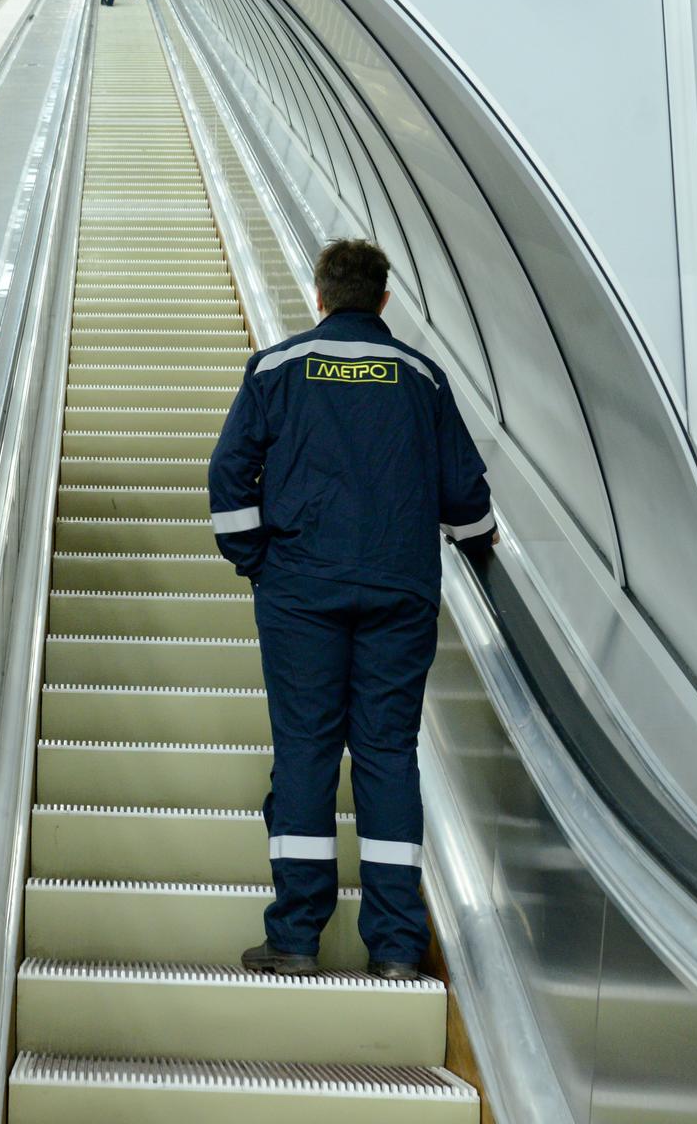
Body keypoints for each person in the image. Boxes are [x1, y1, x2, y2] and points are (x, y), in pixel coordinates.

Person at [207, 239, 497, 983]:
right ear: (384, 300)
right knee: (387, 754)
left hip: (302, 591)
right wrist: (477, 541)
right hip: (399, 591)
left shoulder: (277, 367)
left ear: (319, 294)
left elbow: (229, 470)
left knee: (305, 750)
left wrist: (253, 557)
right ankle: (398, 945)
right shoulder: (422, 378)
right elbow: (465, 491)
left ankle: (297, 936)